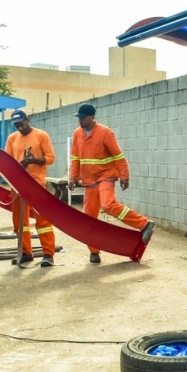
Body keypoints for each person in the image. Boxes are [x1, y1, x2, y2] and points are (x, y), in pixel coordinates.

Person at [68, 103, 153, 264]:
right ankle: (94, 251)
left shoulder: (105, 133)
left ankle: (144, 224)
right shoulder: (77, 134)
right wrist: (73, 177)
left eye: (83, 118)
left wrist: (124, 176)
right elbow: (75, 158)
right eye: (79, 118)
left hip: (106, 176)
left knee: (108, 204)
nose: (80, 121)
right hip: (89, 180)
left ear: (92, 117)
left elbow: (118, 156)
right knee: (89, 218)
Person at [4, 110, 57, 267]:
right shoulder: (12, 138)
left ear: (28, 119)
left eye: (22, 123)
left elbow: (51, 158)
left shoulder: (41, 135)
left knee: (43, 220)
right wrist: (17, 165)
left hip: (36, 184)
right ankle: (25, 253)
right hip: (17, 185)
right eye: (16, 125)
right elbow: (7, 161)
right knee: (20, 222)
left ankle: (48, 254)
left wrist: (34, 160)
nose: (20, 127)